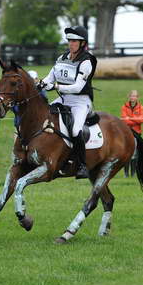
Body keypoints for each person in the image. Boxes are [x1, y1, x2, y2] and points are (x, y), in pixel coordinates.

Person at [39, 25, 97, 179]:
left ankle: (83, 165)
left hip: (80, 101)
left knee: (75, 130)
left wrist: (56, 86)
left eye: (74, 41)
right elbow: (50, 77)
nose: (71, 43)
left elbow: (78, 87)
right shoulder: (62, 58)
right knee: (45, 116)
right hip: (64, 99)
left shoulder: (86, 61)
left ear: (82, 43)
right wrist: (41, 83)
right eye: (69, 40)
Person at [120, 90, 143, 177]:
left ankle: (133, 173)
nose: (133, 97)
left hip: (137, 133)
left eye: (134, 96)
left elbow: (142, 120)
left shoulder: (141, 107)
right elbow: (124, 120)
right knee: (126, 153)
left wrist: (130, 118)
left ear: (137, 97)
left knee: (135, 153)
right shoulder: (124, 107)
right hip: (126, 132)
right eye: (131, 96)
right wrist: (135, 120)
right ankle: (126, 173)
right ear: (129, 97)